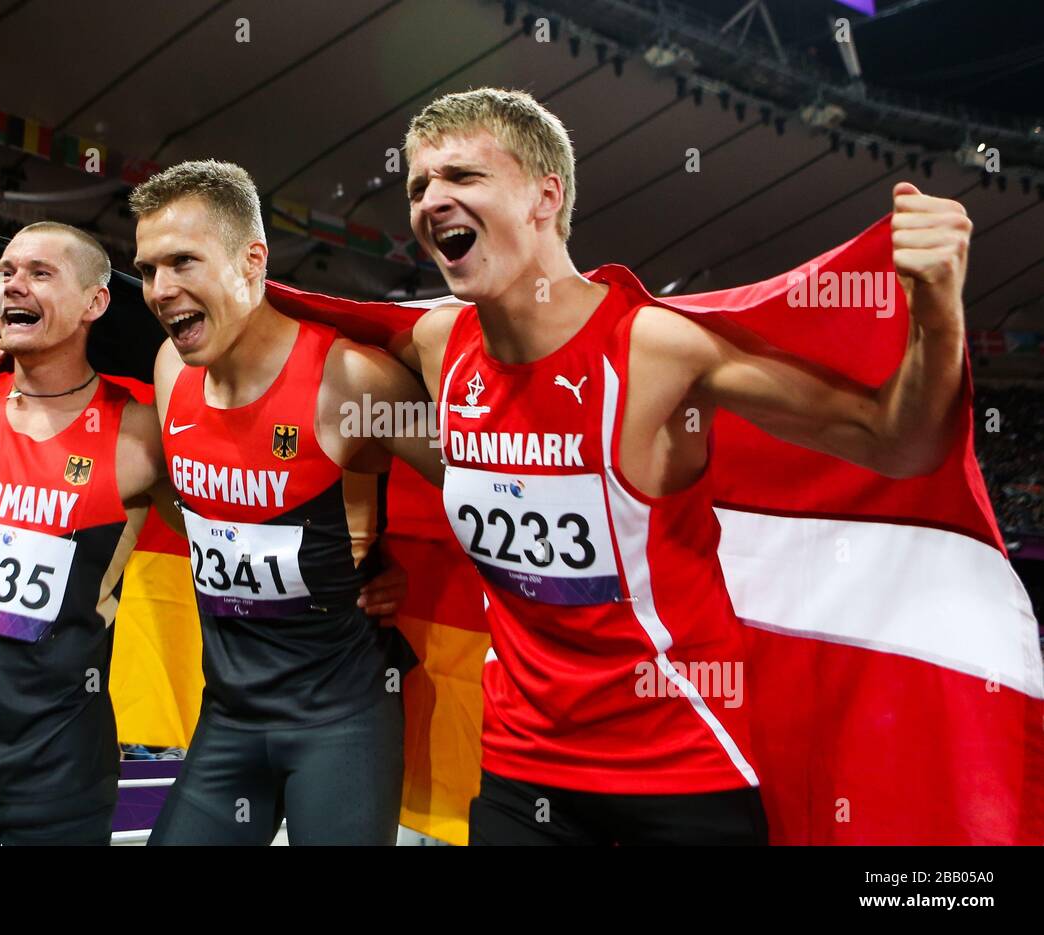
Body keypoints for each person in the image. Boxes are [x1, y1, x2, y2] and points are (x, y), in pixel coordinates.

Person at [396, 88, 969, 845]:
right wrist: (360, 555)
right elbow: (318, 405)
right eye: (418, 185)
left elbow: (897, 441)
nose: (433, 200)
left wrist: (937, 309)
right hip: (521, 770)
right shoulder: (441, 348)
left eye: (462, 177)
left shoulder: (654, 349)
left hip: (678, 772)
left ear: (545, 196)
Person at [0, 206, 397, 844]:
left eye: (40, 274)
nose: (13, 285)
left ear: (95, 302)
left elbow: (241, 517)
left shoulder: (141, 436)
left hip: (56, 776)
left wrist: (371, 559)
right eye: (6, 273)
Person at [131, 161, 438, 846]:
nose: (161, 289)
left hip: (343, 722)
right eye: (148, 268)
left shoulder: (349, 381)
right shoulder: (170, 369)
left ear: (252, 260)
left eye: (183, 261)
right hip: (229, 719)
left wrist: (413, 575)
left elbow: (489, 483)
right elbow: (207, 517)